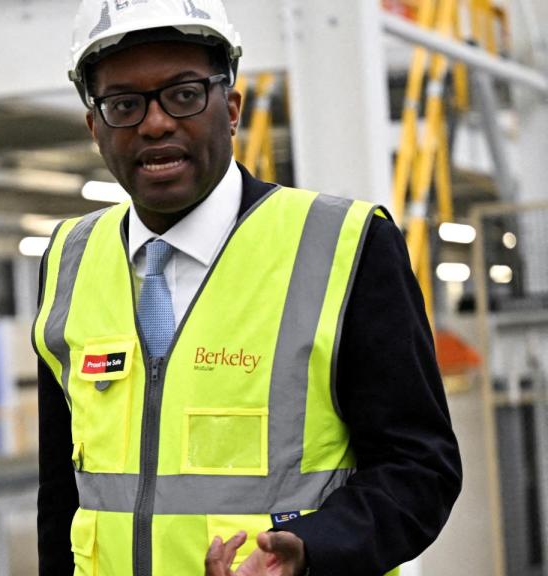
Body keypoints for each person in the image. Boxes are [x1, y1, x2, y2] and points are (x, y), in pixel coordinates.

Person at [32, 1, 462, 575]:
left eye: (183, 94)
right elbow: (62, 491)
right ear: (95, 127)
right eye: (124, 105)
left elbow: (419, 467)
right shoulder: (68, 261)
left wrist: (314, 550)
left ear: (230, 108)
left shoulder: (345, 247)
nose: (155, 123)